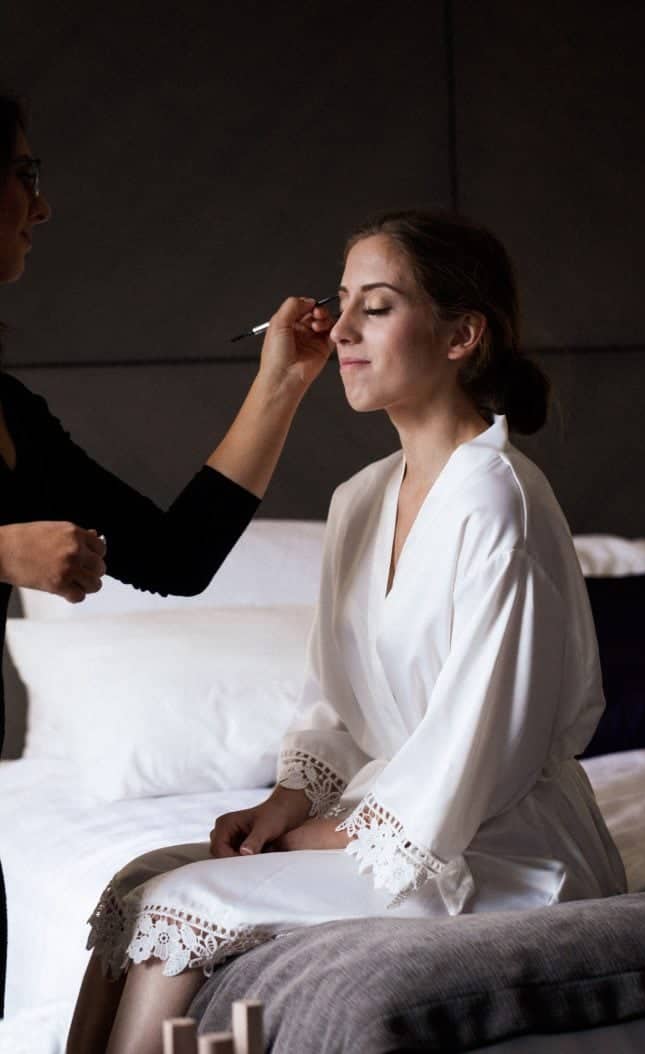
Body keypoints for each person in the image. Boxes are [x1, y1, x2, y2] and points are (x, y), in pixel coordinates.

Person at [68, 210, 627, 1054]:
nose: (343, 330)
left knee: (183, 901)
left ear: (460, 334)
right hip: (395, 819)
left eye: (378, 305)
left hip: (494, 847)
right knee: (137, 884)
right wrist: (283, 804)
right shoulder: (361, 495)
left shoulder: (497, 499)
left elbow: (475, 751)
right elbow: (339, 701)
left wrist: (307, 839)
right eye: (342, 302)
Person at [0, 93, 335, 1018]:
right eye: (25, 175)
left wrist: (280, 385)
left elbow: (176, 557)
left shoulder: (13, 414)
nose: (43, 204)